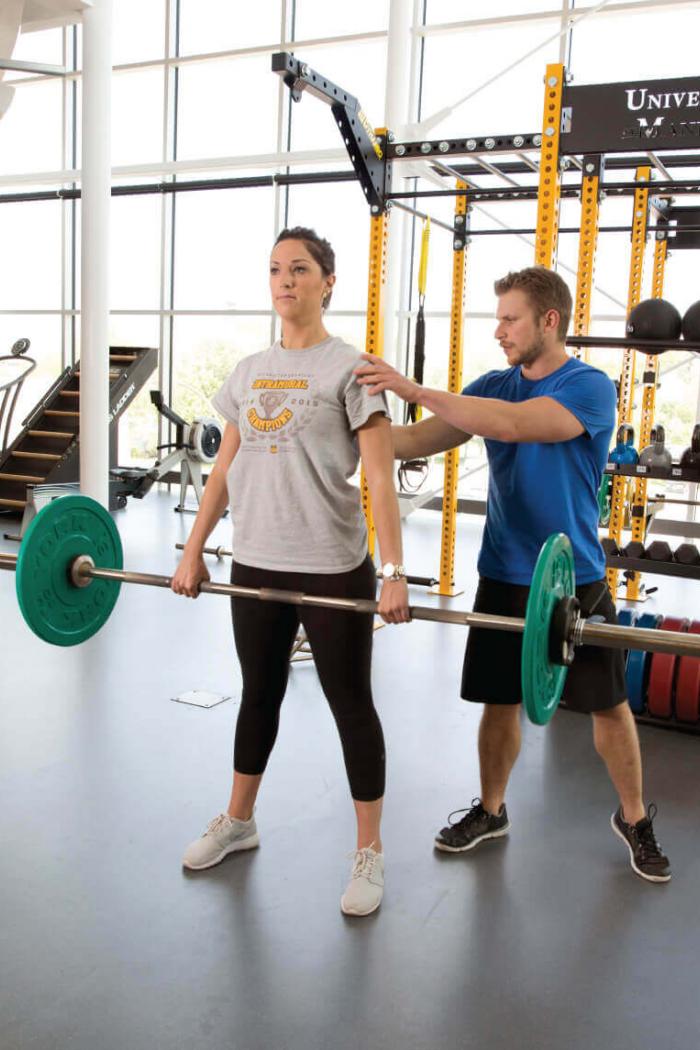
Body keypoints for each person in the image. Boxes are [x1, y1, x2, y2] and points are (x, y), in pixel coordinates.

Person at [354, 265, 671, 884]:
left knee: (607, 706)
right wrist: (338, 426)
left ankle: (633, 817)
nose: (498, 330)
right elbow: (416, 441)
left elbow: (513, 426)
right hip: (503, 572)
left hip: (573, 576)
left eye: (510, 318)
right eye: (497, 317)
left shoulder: (589, 387)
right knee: (497, 703)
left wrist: (414, 386)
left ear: (548, 321)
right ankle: (492, 810)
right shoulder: (492, 384)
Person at [173, 226, 410, 916]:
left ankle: (369, 852)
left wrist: (392, 568)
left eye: (300, 269)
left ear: (328, 281)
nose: (285, 280)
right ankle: (239, 820)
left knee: (350, 705)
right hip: (256, 561)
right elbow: (224, 471)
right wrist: (193, 550)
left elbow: (380, 478)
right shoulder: (248, 371)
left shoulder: (353, 369)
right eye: (276, 269)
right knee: (258, 694)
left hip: (333, 566)